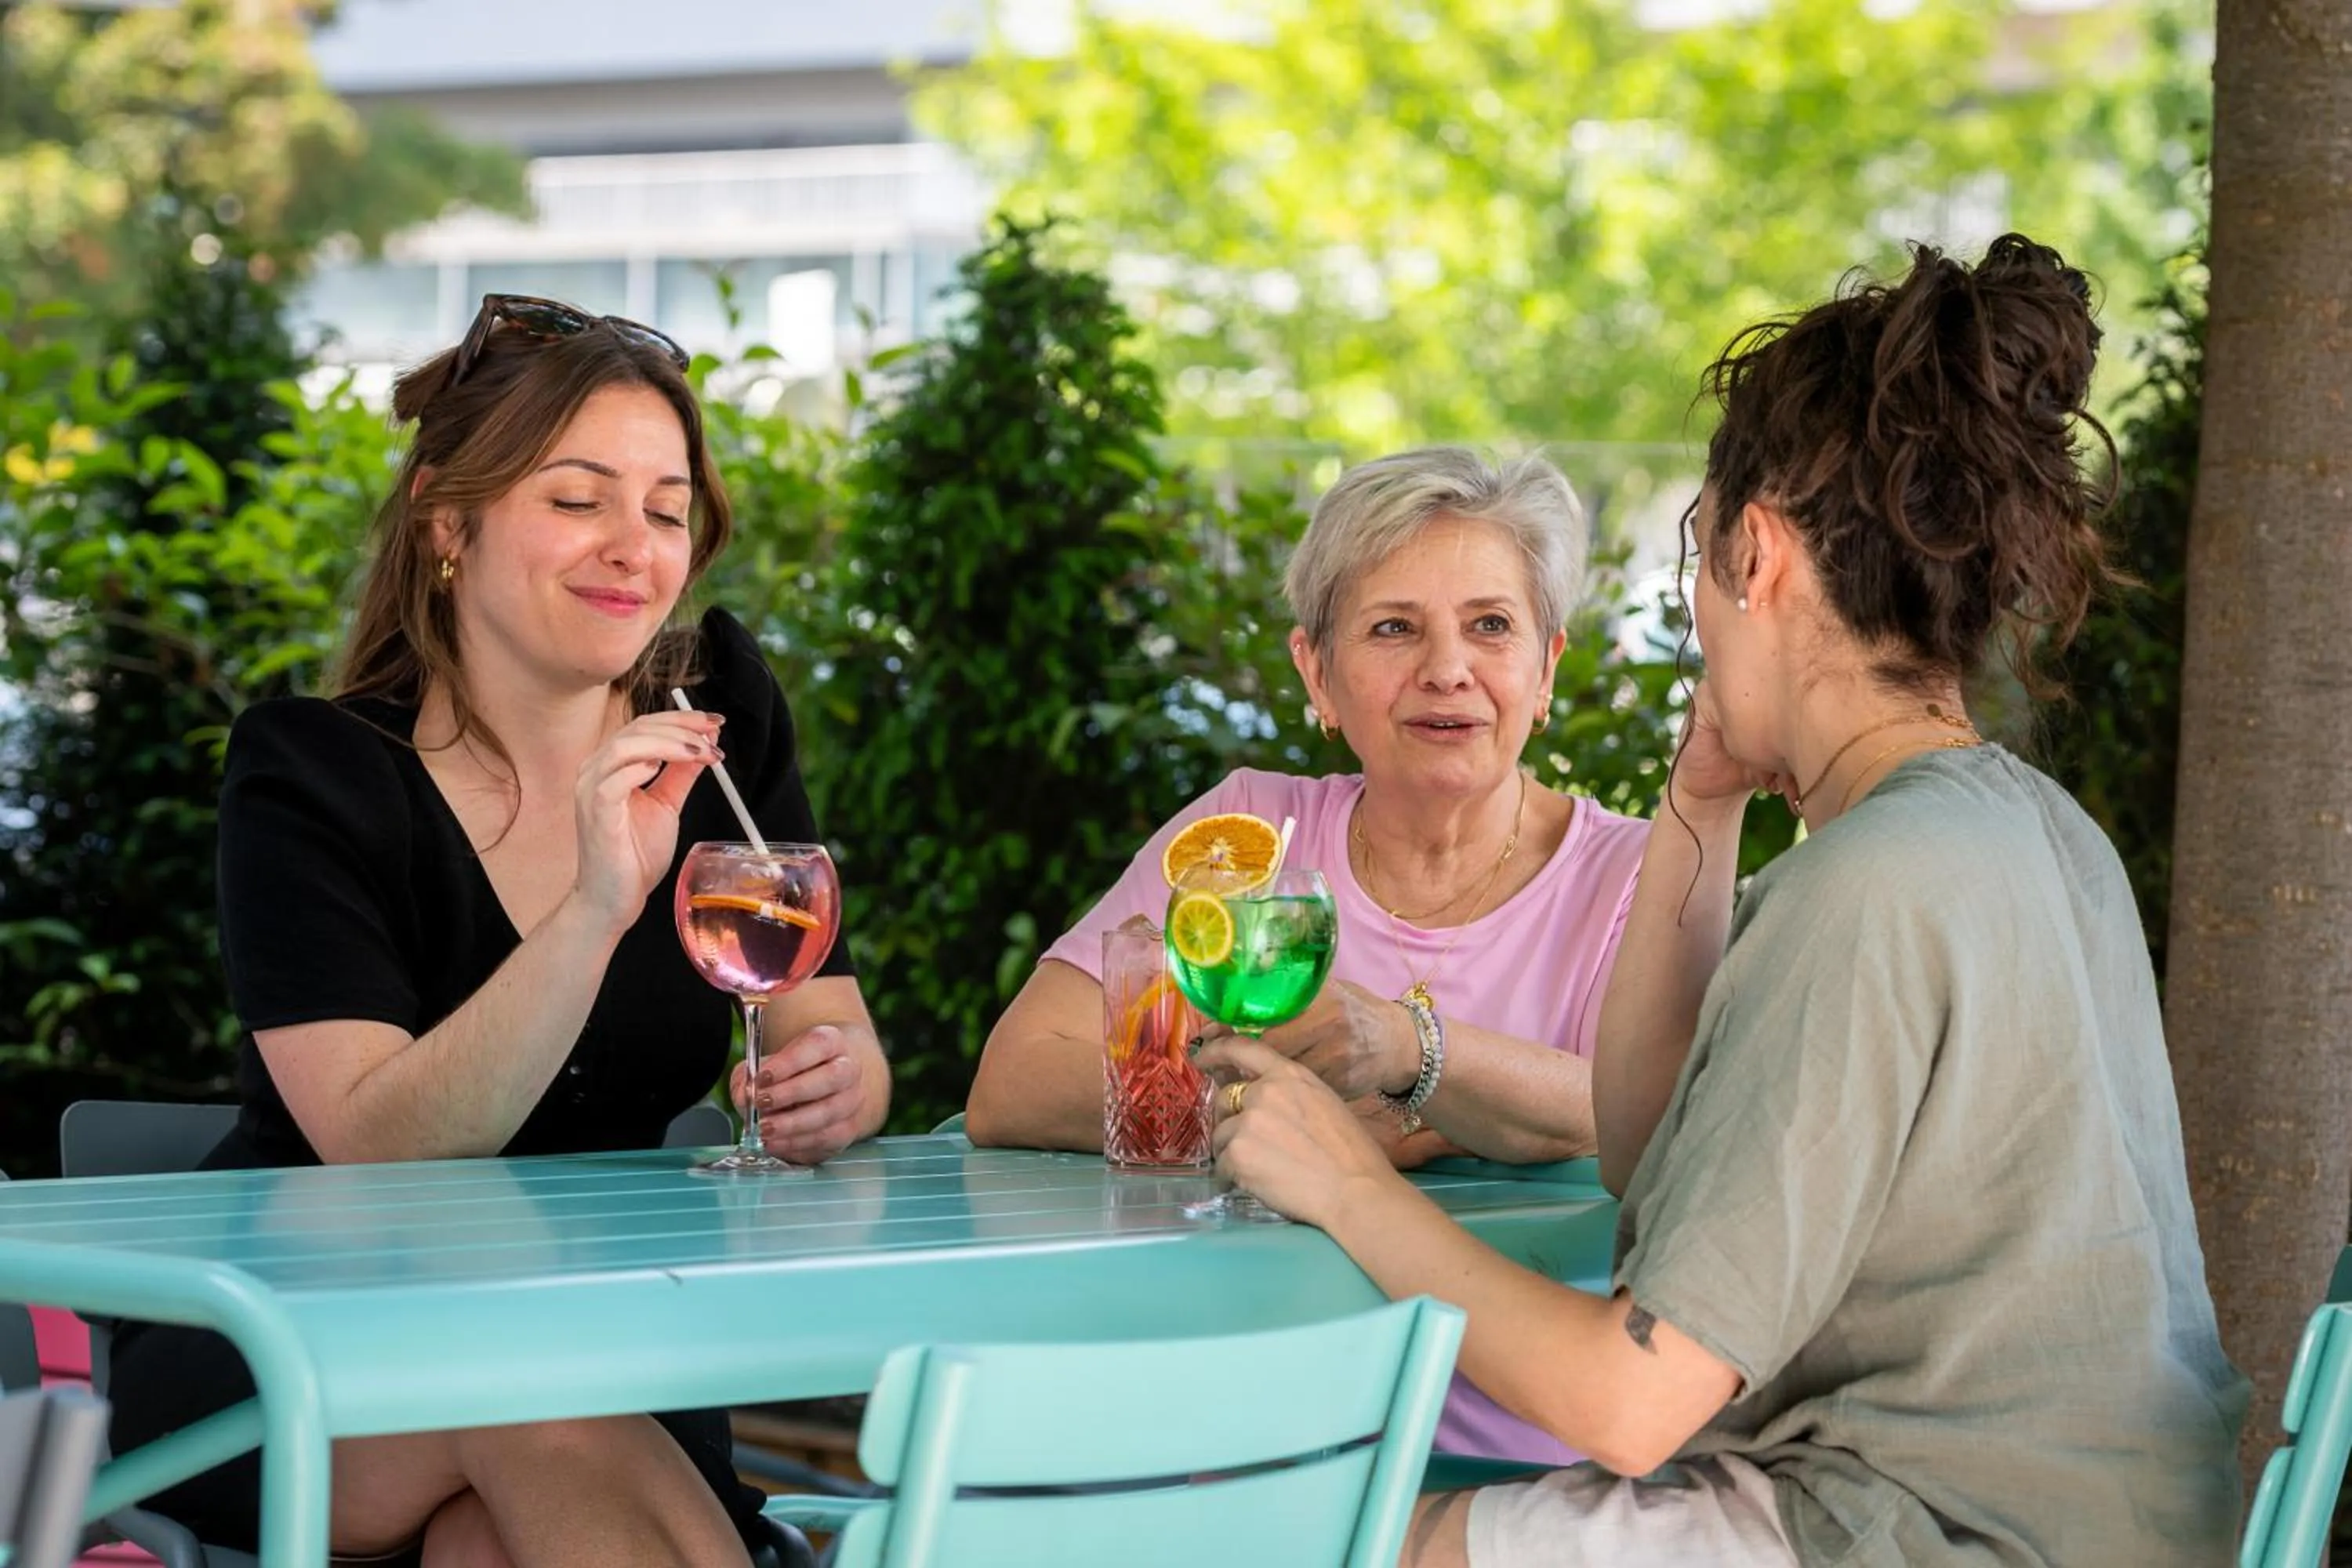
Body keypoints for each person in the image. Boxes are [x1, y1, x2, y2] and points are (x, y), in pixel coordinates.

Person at [1200, 234, 2249, 1566]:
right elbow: (1659, 1160)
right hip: (2092, 1526)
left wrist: (1349, 1184)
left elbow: (1631, 1403)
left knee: (1328, 1543)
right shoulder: (2030, 833)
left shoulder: (1870, 888)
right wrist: (1700, 807)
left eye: (1700, 562)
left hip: (1929, 1535)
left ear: (1756, 556)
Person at [107, 295, 891, 1567]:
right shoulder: (309, 775)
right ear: (447, 524)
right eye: (578, 500)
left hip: (608, 1346)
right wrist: (595, 907)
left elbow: (832, 1033)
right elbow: (379, 1145)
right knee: (533, 1390)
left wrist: (836, 1089)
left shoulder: (720, 719)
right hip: (300, 1353)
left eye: (668, 508)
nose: (633, 546)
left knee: (496, 1535)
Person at [967, 445, 1650, 1463]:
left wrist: (1414, 1052)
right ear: (1317, 674)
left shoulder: (1634, 877)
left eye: (1491, 626)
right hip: (1238, 1440)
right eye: (1393, 629)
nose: (1448, 669)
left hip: (1518, 1468)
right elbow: (1016, 1082)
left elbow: (1659, 1108)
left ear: (1546, 668)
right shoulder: (1249, 833)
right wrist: (1290, 1127)